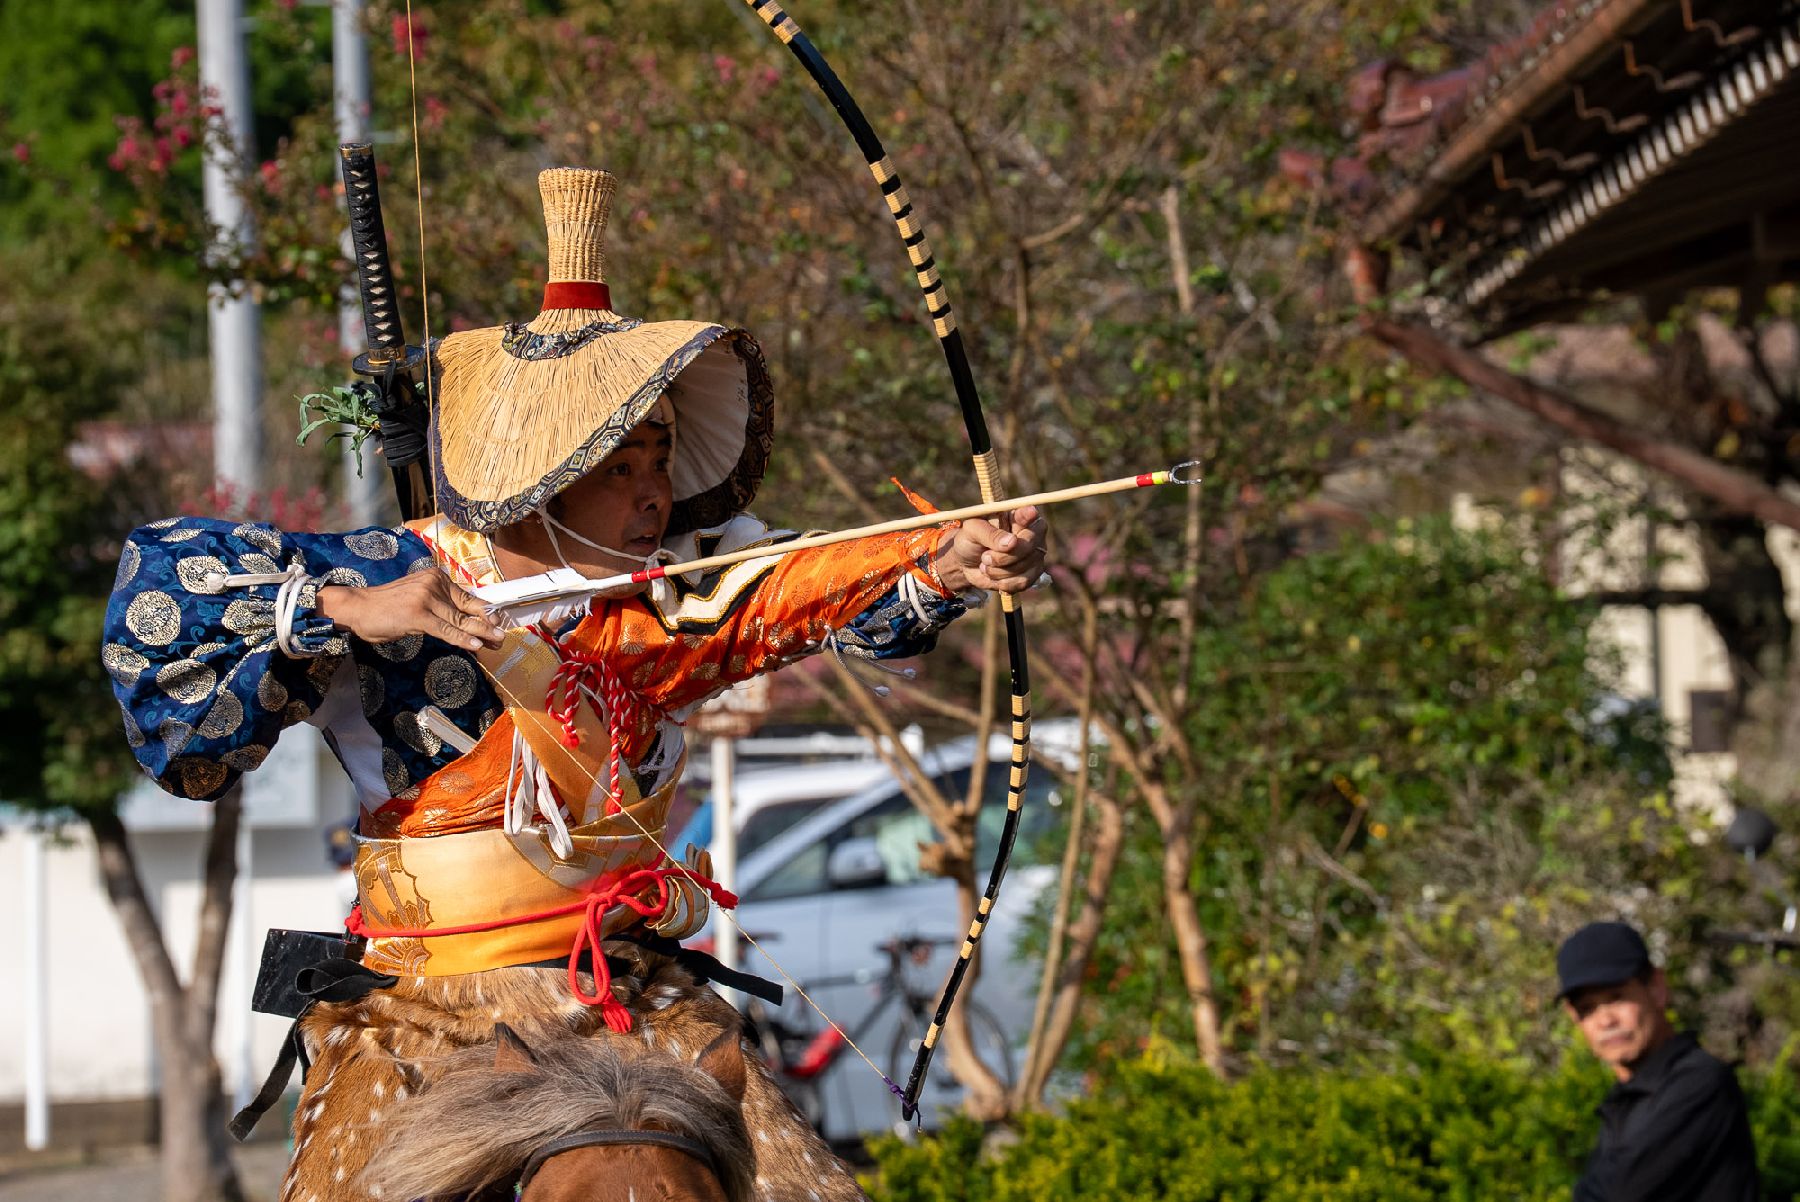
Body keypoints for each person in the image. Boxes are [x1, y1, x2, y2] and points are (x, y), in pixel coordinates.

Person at [104, 166, 1046, 1202]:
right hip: (427, 1009)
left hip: (633, 998)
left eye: (662, 461)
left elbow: (818, 578)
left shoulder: (675, 592)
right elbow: (162, 604)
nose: (655, 496)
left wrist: (956, 557)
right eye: (620, 465)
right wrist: (329, 609)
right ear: (547, 467)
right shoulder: (393, 574)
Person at [1557, 920, 1759, 1202]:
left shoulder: (1699, 1084)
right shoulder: (1626, 1100)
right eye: (1587, 1009)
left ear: (1656, 988)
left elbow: (1618, 1195)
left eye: (1617, 997)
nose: (1605, 1021)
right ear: (1574, 1017)